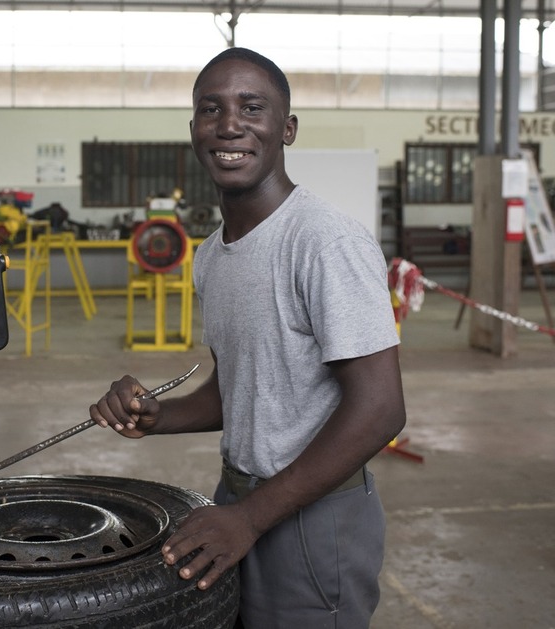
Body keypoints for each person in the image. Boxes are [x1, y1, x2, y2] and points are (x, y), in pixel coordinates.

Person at [89, 47, 406, 628]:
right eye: (212, 109)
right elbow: (236, 387)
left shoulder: (323, 242)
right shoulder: (212, 255)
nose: (230, 124)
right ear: (194, 131)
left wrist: (253, 517)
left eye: (251, 107)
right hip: (238, 498)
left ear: (286, 128)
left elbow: (381, 409)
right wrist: (158, 415)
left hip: (312, 517)